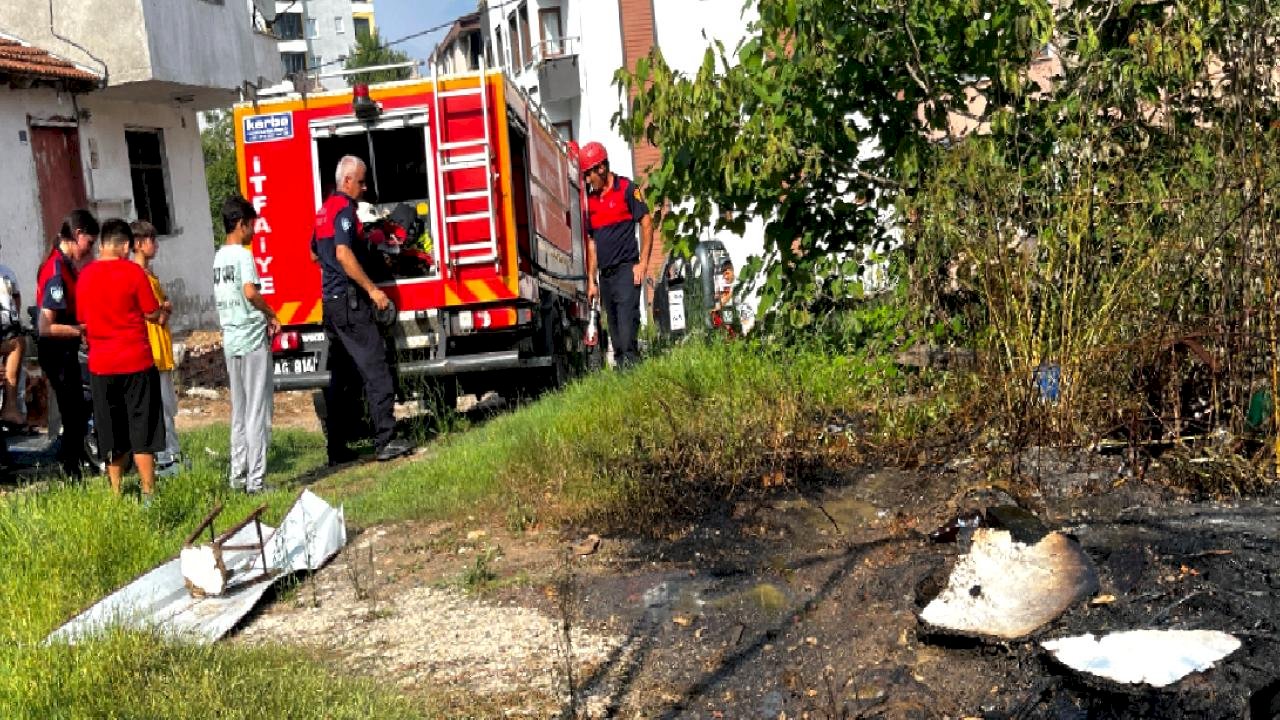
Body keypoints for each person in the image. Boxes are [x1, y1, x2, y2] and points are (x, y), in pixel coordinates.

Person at [313, 155, 411, 464]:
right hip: (350, 302)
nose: (365, 187)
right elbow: (343, 253)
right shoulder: (343, 210)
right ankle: (386, 441)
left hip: (331, 304)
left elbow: (317, 253)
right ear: (346, 181)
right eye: (361, 181)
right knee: (376, 368)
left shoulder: (324, 210)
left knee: (341, 378)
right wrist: (371, 289)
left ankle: (337, 448)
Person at [76, 219, 164, 504]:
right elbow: (151, 313)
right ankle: (149, 492)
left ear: (103, 244)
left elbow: (83, 321)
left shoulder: (85, 276)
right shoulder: (133, 272)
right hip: (136, 361)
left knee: (110, 430)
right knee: (143, 427)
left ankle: (115, 492)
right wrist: (163, 308)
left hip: (101, 366)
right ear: (125, 246)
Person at [213, 195, 280, 494]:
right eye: (251, 225)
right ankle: (256, 481)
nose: (254, 231)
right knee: (257, 412)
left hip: (231, 340)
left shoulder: (218, 257)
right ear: (240, 225)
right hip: (252, 340)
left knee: (239, 411)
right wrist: (271, 313)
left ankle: (237, 477)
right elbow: (250, 292)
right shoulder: (242, 255)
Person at [35, 209, 98, 478]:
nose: (90, 250)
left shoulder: (66, 266)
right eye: (90, 243)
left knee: (78, 410)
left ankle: (74, 461)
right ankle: (70, 470)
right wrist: (80, 330)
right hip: (56, 352)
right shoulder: (56, 271)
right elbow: (46, 326)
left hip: (65, 350)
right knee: (73, 413)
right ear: (78, 234)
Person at [581, 141, 654, 368]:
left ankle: (633, 378)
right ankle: (626, 379)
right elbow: (592, 243)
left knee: (626, 332)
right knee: (614, 336)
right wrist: (592, 281)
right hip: (606, 277)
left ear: (601, 168)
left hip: (626, 271)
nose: (587, 180)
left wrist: (642, 264)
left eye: (588, 174)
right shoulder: (591, 202)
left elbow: (647, 223)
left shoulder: (627, 189)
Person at [131, 220, 182, 477]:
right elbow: (154, 314)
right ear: (138, 244)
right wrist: (165, 308)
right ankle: (166, 459)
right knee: (161, 409)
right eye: (151, 240)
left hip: (161, 350)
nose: (156, 244)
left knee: (168, 407)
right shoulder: (139, 277)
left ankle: (171, 454)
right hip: (153, 351)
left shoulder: (150, 275)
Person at [0, 260, 27, 427]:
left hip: (7, 328)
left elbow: (15, 296)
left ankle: (10, 407)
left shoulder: (7, 272)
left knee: (18, 343)